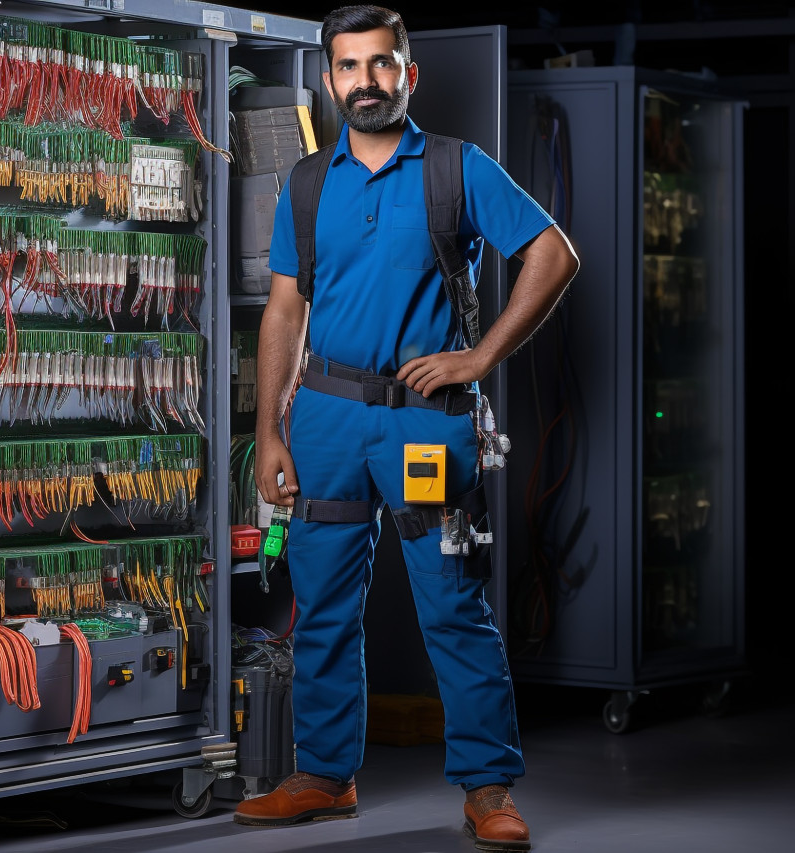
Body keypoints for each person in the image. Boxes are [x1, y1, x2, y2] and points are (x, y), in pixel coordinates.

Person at [233, 5, 579, 851]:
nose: (366, 82)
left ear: (408, 75)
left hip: (427, 425)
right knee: (319, 607)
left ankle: (488, 788)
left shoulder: (455, 169)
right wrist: (270, 431)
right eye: (348, 68)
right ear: (329, 80)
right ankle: (323, 774)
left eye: (382, 64)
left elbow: (552, 253)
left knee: (455, 609)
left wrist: (478, 358)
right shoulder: (307, 184)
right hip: (322, 419)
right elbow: (284, 310)